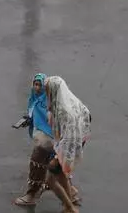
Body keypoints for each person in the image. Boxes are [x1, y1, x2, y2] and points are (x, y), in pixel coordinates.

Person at [44, 75, 91, 213]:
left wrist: (58, 158)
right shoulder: (71, 102)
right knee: (62, 176)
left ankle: (70, 208)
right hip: (67, 146)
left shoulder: (64, 112)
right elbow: (87, 116)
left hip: (65, 149)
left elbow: (69, 137)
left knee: (50, 181)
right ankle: (69, 203)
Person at [14, 73, 56, 207]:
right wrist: (29, 120)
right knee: (56, 169)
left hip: (48, 141)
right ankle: (71, 195)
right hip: (44, 140)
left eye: (40, 85)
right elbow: (34, 115)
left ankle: (31, 195)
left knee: (37, 164)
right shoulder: (34, 99)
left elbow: (50, 120)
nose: (37, 88)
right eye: (35, 84)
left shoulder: (48, 102)